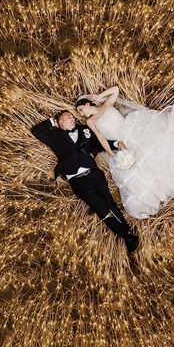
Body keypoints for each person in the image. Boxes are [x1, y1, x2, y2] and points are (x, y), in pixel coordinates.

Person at [30, 109, 140, 256]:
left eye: (72, 117)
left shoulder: (84, 131)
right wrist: (52, 122)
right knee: (101, 209)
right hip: (78, 182)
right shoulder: (54, 136)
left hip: (94, 174)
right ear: (60, 121)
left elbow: (100, 144)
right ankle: (126, 237)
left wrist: (116, 143)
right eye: (68, 117)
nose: (72, 118)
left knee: (110, 203)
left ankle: (127, 232)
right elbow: (36, 131)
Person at [75, 86, 174, 219]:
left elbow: (116, 90)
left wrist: (99, 96)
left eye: (81, 110)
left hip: (132, 128)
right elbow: (102, 139)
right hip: (122, 144)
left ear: (88, 103)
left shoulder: (106, 105)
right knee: (145, 162)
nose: (81, 114)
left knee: (154, 149)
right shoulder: (91, 121)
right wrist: (112, 154)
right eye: (79, 113)